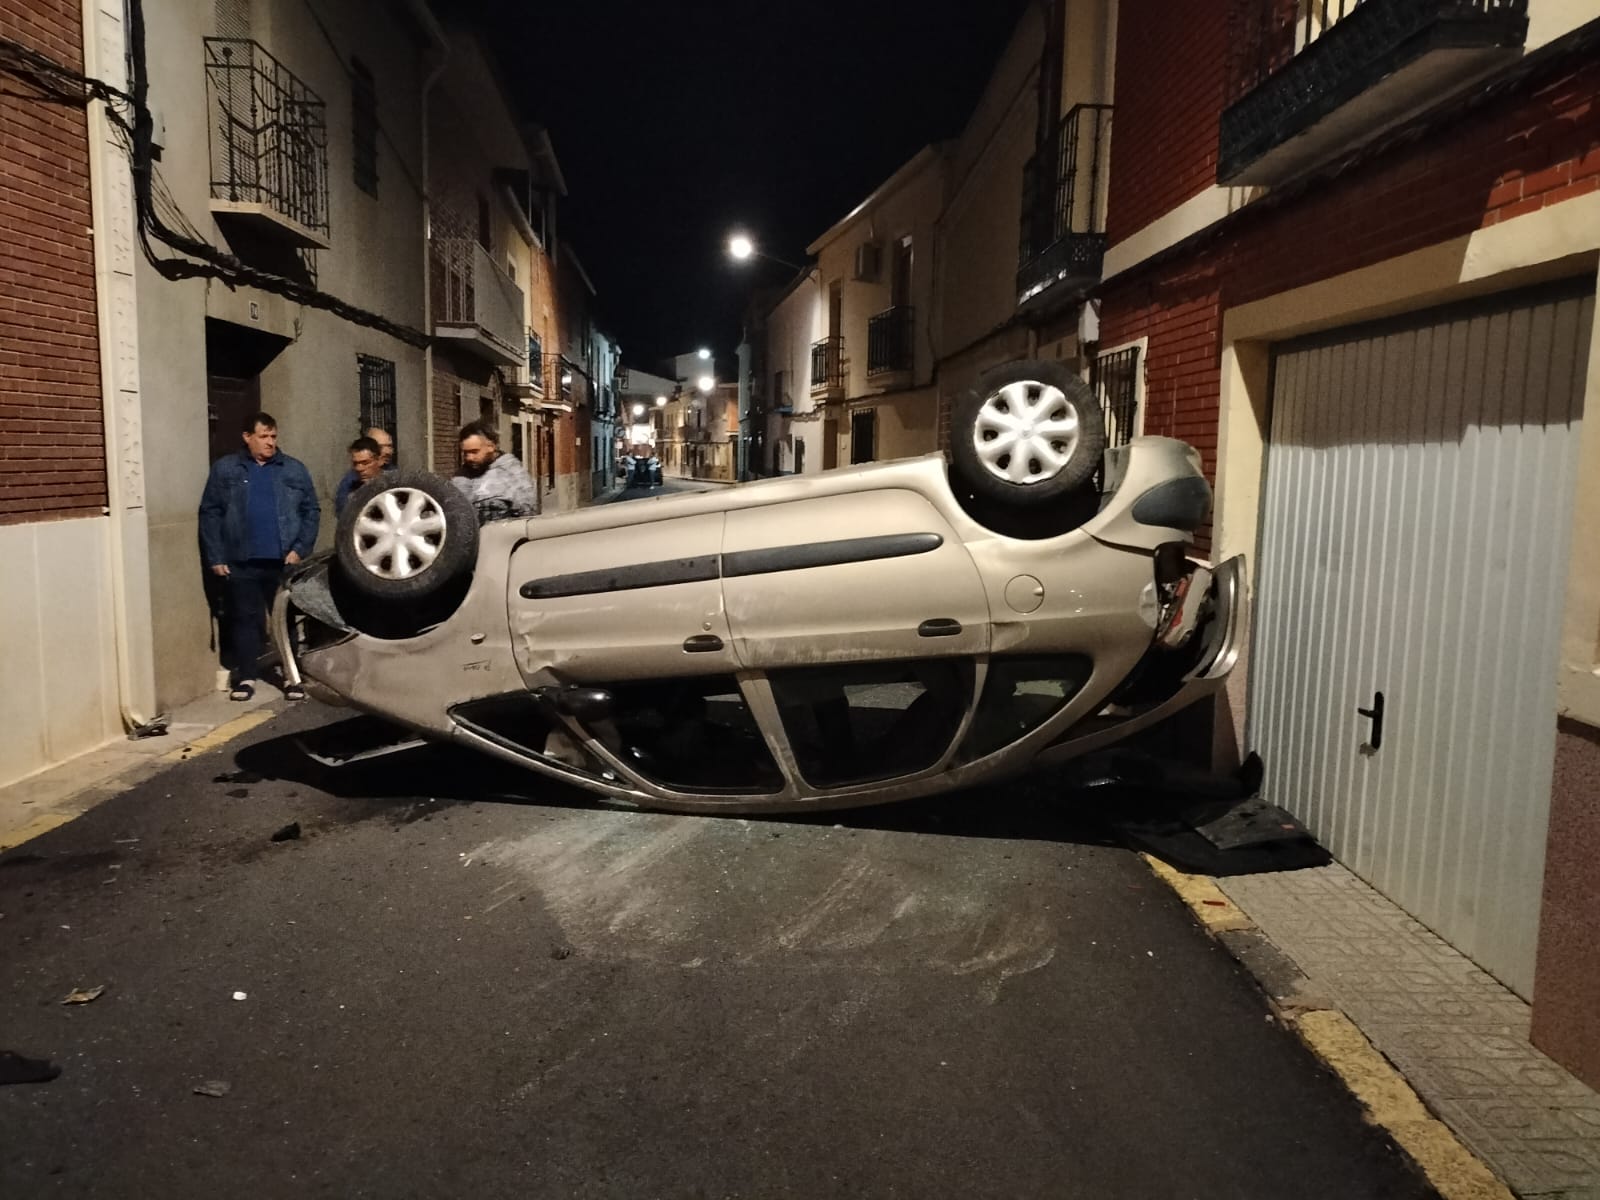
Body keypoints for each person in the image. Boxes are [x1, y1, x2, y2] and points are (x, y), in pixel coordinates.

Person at [198, 411, 320, 701]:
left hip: (282, 561)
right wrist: (215, 556)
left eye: (273, 436)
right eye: (263, 436)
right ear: (247, 437)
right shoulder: (226, 470)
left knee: (284, 620)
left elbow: (311, 511)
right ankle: (247, 676)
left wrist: (300, 548)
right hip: (241, 560)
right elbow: (210, 513)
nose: (270, 442)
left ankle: (292, 677)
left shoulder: (293, 469)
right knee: (244, 619)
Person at [452, 420, 538, 524]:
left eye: (474, 452)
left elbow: (528, 509)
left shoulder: (510, 471)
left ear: (491, 447)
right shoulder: (460, 477)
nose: (469, 457)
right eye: (465, 453)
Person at [333, 426, 394, 512]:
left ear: (378, 460)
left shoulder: (395, 483)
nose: (359, 468)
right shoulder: (349, 487)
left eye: (365, 463)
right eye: (355, 463)